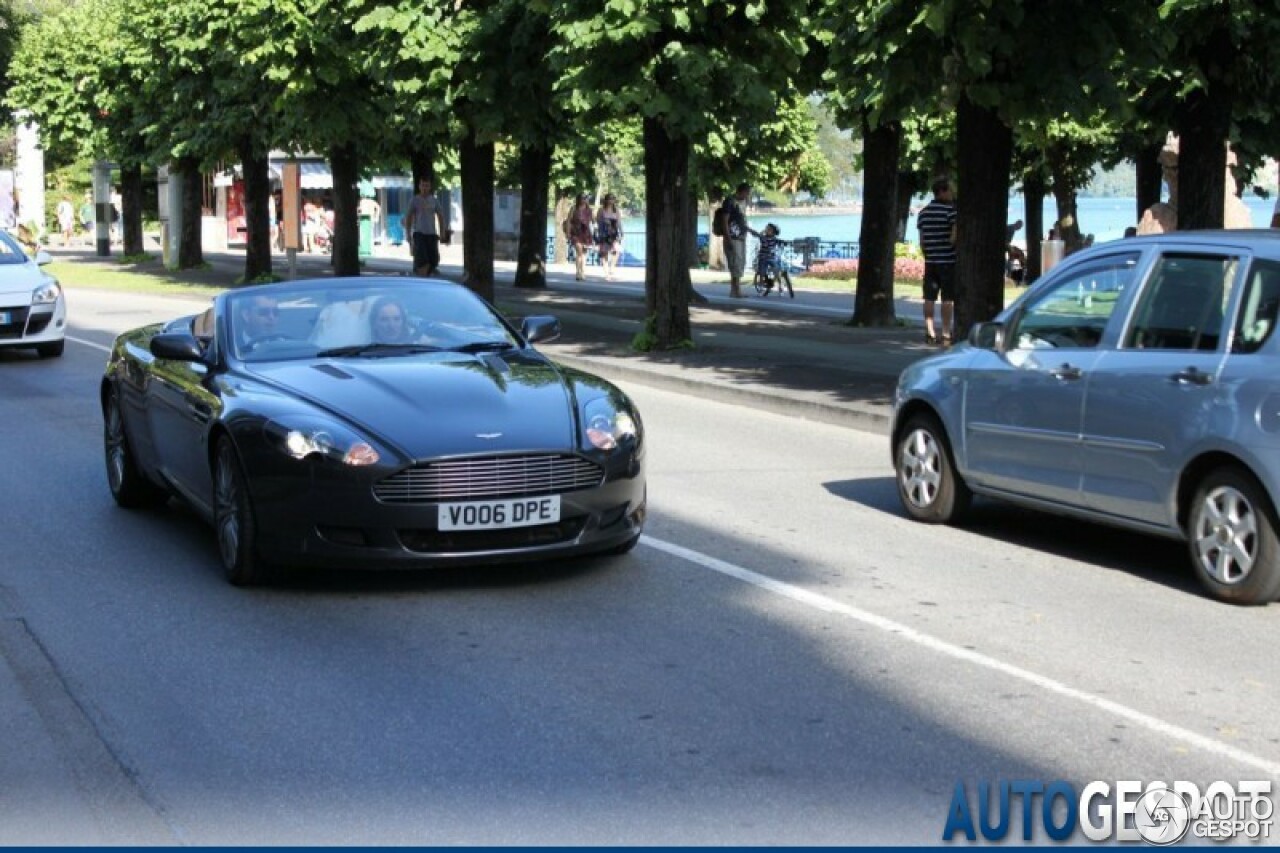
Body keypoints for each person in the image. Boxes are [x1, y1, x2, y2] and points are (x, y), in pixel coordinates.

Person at [917, 177, 958, 345]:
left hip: (931, 261)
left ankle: (930, 330)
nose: (952, 193)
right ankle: (946, 332)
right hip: (948, 260)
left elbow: (922, 241)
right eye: (950, 190)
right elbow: (954, 237)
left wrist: (929, 253)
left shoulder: (923, 213)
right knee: (947, 298)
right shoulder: (951, 212)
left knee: (929, 297)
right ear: (942, 191)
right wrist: (950, 246)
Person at [402, 177, 448, 276]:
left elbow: (440, 216)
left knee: (434, 259)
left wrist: (442, 232)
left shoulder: (434, 201)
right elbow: (408, 217)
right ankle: (422, 276)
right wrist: (408, 234)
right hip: (419, 233)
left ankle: (424, 270)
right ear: (419, 186)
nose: (424, 188)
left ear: (430, 187)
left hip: (431, 233)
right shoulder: (415, 200)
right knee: (422, 259)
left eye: (426, 186)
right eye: (422, 185)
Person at [723, 183, 751, 298]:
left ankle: (734, 290)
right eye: (747, 193)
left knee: (740, 262)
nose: (748, 195)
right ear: (741, 191)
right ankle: (736, 290)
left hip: (741, 236)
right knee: (735, 262)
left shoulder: (743, 202)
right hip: (732, 237)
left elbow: (742, 220)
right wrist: (727, 237)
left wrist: (751, 232)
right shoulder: (730, 201)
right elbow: (725, 220)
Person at [595, 194, 623, 280]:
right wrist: (598, 235)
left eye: (613, 199)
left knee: (617, 250)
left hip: (614, 233)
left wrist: (621, 232)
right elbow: (598, 223)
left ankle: (612, 268)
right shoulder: (601, 210)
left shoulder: (616, 210)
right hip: (604, 233)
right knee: (604, 253)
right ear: (606, 200)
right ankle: (606, 273)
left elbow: (619, 222)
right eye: (609, 199)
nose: (611, 201)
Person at [566, 193, 594, 281]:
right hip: (576, 233)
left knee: (584, 254)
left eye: (585, 198)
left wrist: (595, 229)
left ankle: (583, 272)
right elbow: (568, 221)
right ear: (578, 199)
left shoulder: (589, 209)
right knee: (579, 252)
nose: (584, 200)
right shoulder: (574, 208)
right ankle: (578, 272)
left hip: (586, 233)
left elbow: (593, 221)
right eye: (582, 198)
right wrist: (568, 232)